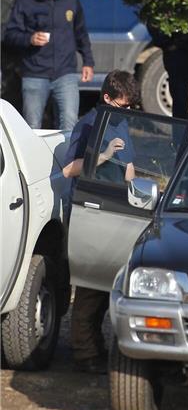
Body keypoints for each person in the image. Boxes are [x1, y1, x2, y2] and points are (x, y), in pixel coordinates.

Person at [61, 70, 140, 374]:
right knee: (90, 287)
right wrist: (104, 154)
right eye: (123, 105)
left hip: (118, 209)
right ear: (106, 98)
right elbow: (69, 169)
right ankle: (84, 353)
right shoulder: (88, 124)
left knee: (112, 284)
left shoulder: (121, 121)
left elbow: (129, 165)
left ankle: (99, 347)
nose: (128, 111)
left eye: (131, 106)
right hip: (90, 210)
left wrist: (135, 194)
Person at [3, 0, 94, 130]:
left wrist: (88, 61)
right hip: (34, 74)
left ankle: (66, 150)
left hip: (65, 72)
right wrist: (29, 38)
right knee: (32, 127)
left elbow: (81, 32)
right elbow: (10, 34)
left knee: (69, 124)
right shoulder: (25, 0)